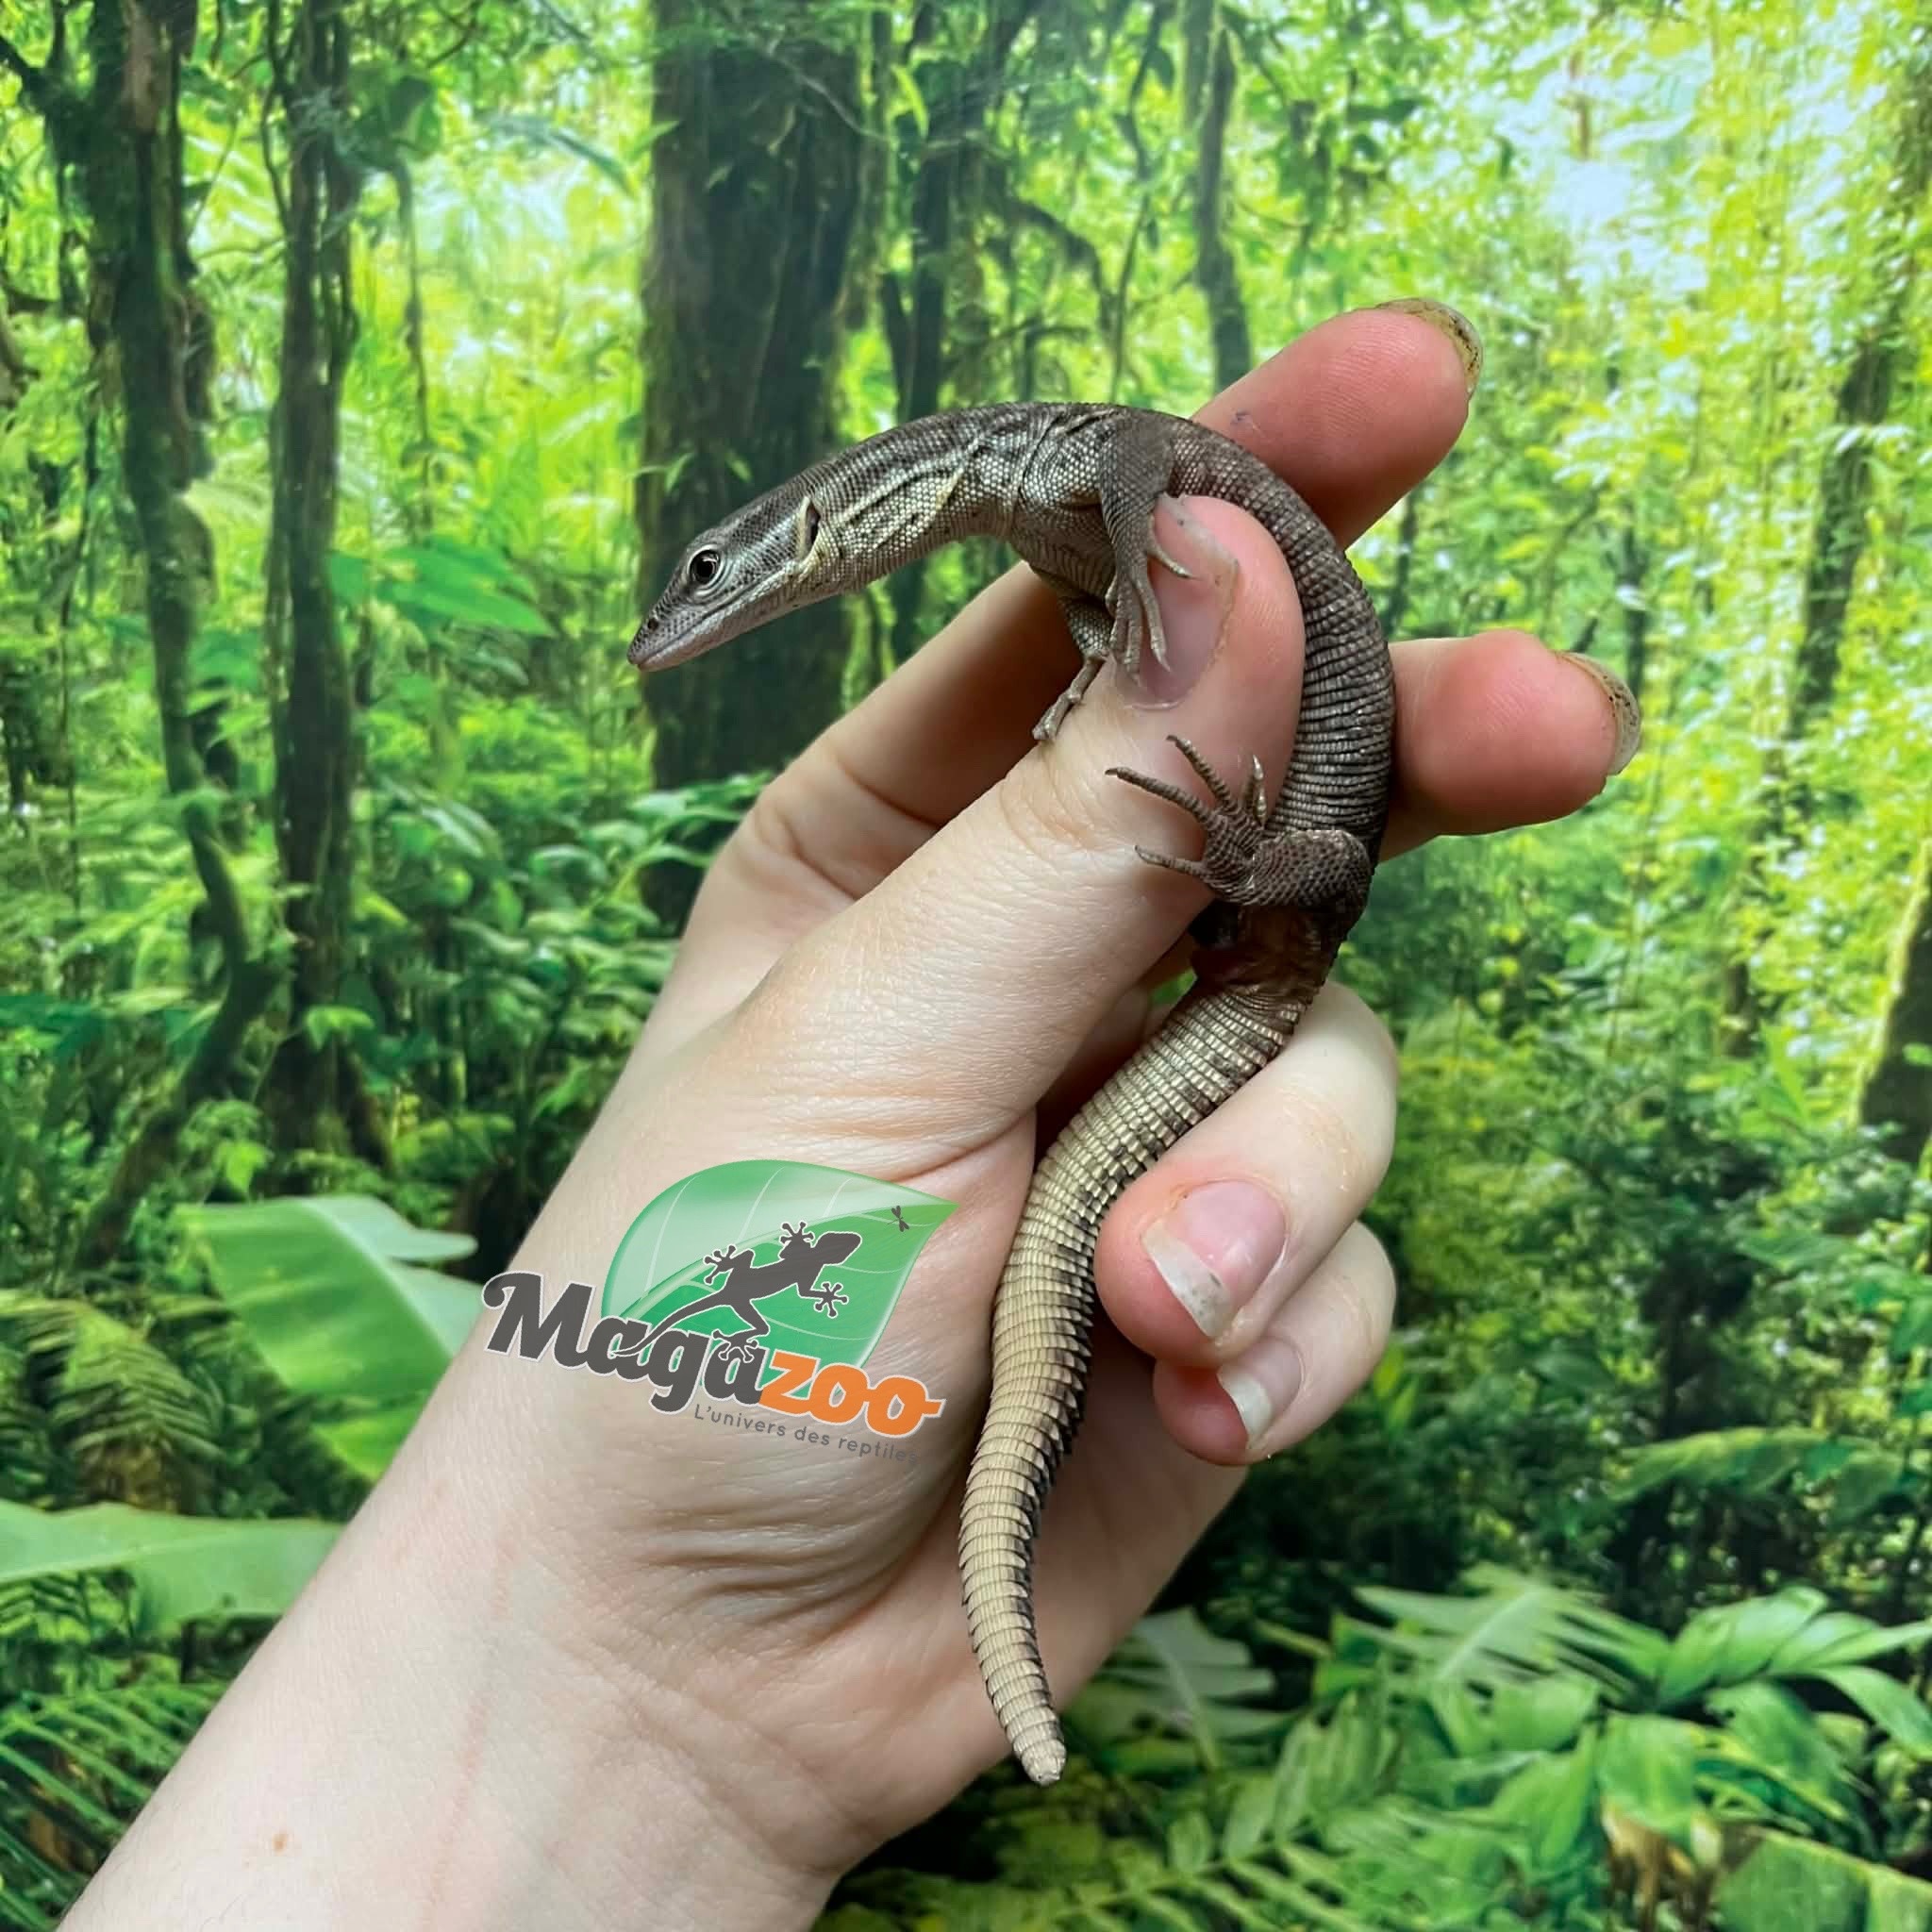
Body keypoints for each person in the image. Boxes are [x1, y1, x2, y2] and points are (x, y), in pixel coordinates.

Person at [65, 306, 1636, 1930]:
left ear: (804, 531)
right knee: (1138, 1172)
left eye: (709, 573)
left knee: (1283, 909)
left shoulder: (1077, 465)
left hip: (1285, 885)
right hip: (1246, 918)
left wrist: (1176, 676)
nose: (697, 609)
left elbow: (1139, 467)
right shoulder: (1028, 509)